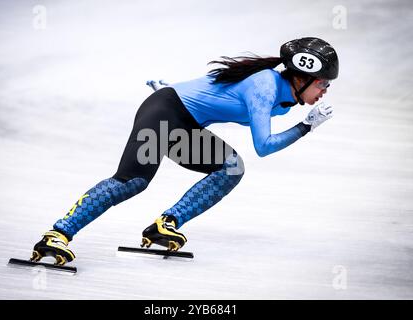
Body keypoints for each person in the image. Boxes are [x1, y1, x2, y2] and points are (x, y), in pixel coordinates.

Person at [30, 37, 338, 266]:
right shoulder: (266, 86)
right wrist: (306, 127)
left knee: (231, 167)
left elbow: (216, 89)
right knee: (131, 181)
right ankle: (58, 233)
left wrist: (175, 87)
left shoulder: (283, 101)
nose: (325, 90)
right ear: (302, 76)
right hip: (167, 112)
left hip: (182, 119)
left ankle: (166, 225)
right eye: (323, 83)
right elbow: (264, 147)